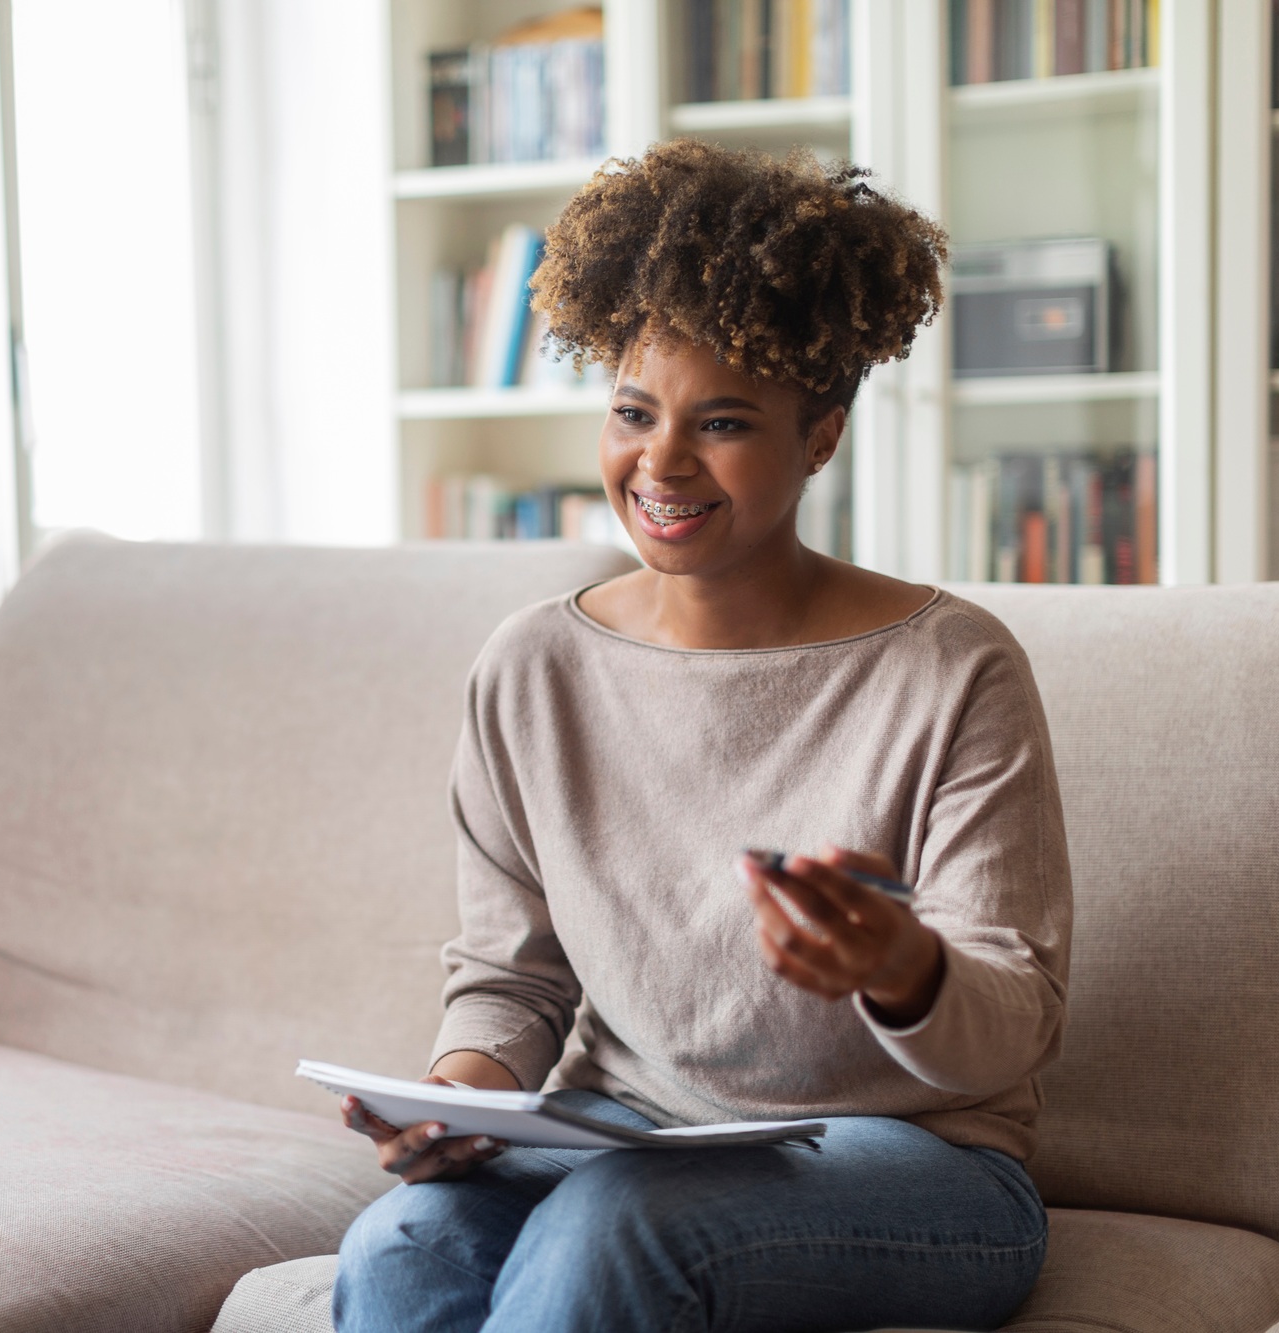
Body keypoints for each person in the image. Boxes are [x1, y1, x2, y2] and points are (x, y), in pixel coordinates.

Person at [335, 140, 1071, 1333]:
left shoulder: (951, 669)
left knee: (619, 1222)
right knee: (406, 1243)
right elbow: (510, 978)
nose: (660, 463)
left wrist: (898, 965)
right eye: (632, 412)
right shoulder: (532, 666)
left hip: (922, 1168)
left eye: (721, 421)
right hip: (625, 1139)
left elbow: (1011, 1028)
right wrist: (457, 1100)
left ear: (818, 435)